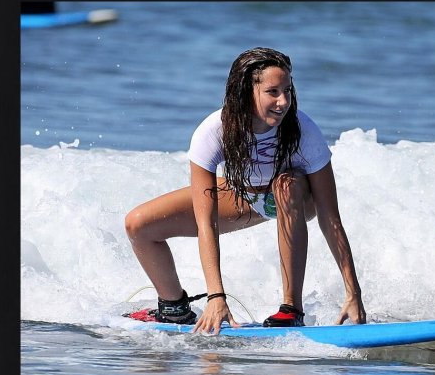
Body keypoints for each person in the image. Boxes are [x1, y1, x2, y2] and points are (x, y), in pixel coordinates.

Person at [125, 47, 367, 333]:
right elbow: (207, 224)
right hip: (242, 194)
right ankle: (174, 309)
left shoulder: (304, 130)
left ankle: (292, 309)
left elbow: (330, 217)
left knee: (285, 185)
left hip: (297, 197)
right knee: (139, 224)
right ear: (246, 91)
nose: (283, 101)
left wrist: (353, 293)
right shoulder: (214, 131)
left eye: (287, 90)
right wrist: (217, 297)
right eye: (273, 92)